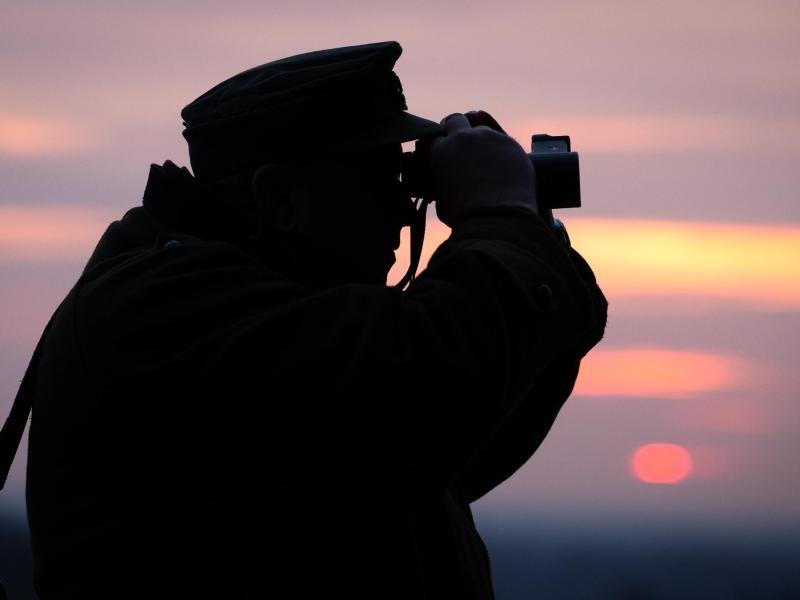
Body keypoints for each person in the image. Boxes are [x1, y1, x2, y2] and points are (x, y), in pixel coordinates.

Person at [0, 41, 607, 599]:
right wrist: (501, 216)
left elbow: (460, 437)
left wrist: (524, 225)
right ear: (281, 199)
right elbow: (425, 388)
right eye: (378, 179)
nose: (403, 208)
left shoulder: (262, 309)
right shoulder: (163, 315)